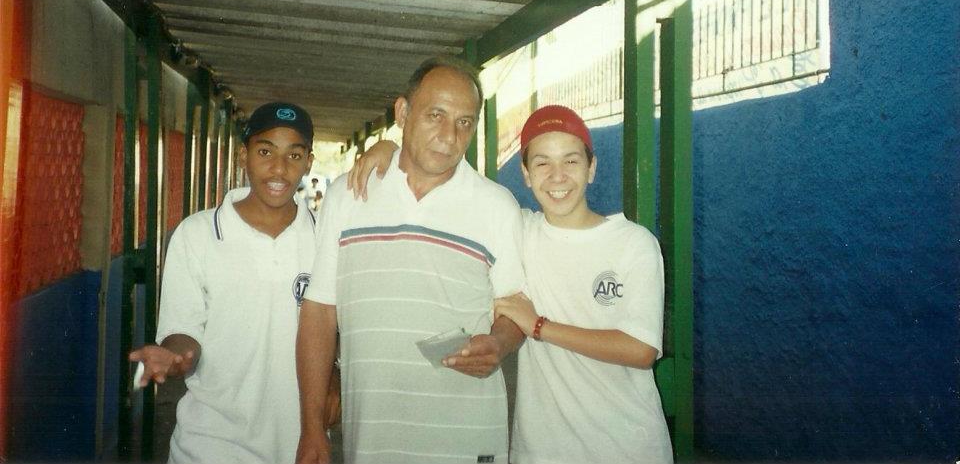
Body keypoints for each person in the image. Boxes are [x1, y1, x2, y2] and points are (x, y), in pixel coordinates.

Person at [352, 105, 673, 463]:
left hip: (627, 447)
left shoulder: (633, 243)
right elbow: (451, 189)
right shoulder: (519, 229)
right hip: (541, 450)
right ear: (525, 173)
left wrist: (538, 326)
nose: (557, 176)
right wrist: (392, 152)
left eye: (570, 161)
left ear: (591, 167)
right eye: (542, 163)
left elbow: (640, 350)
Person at [296, 56, 526, 464]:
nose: (449, 136)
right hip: (372, 439)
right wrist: (312, 426)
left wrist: (500, 343)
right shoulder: (347, 195)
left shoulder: (496, 206)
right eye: (435, 115)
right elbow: (319, 312)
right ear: (403, 113)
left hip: (467, 438)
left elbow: (515, 308)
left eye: (464, 122)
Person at [129, 102, 318, 464]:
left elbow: (335, 331)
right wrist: (175, 356)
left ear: (308, 162)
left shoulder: (324, 238)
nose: (279, 169)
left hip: (298, 445)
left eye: (294, 155)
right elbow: (182, 330)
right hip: (208, 446)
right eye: (265, 152)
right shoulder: (197, 234)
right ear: (243, 155)